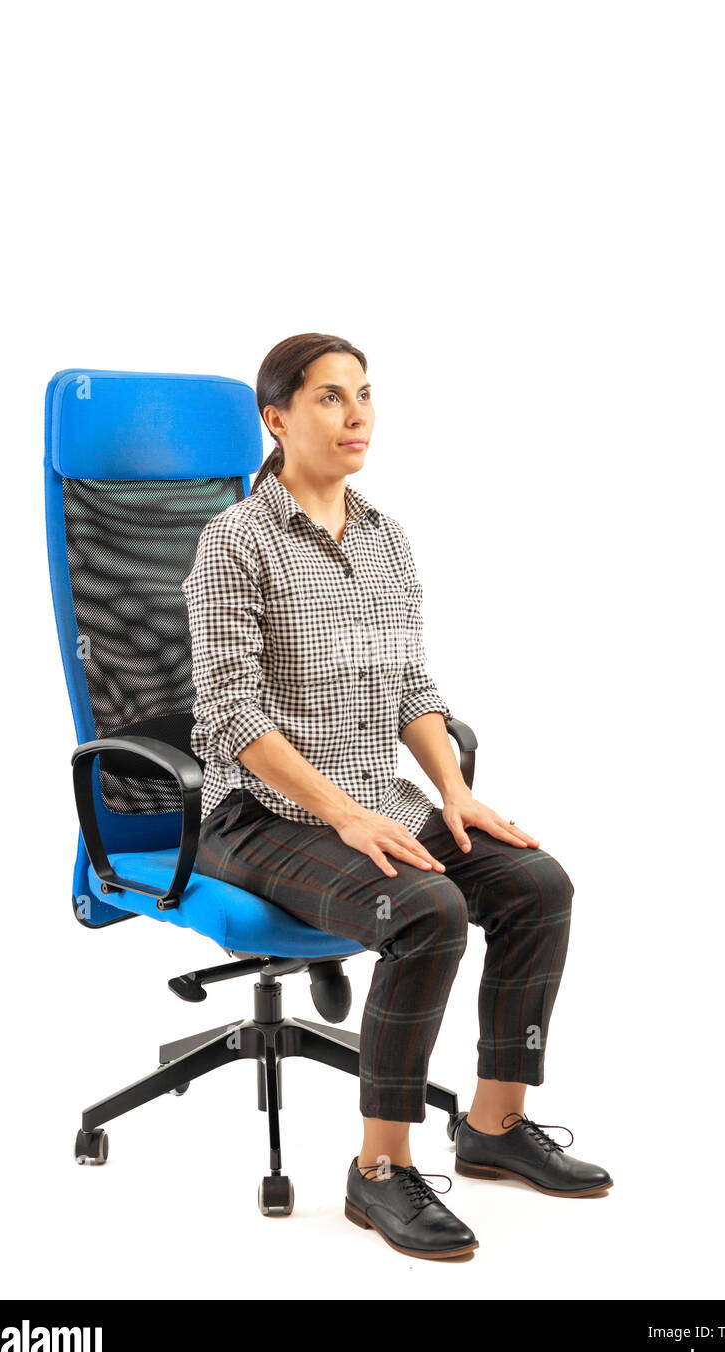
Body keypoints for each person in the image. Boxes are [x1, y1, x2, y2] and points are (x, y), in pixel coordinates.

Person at [182, 332, 612, 1260]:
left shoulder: (382, 536)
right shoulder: (234, 541)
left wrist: (453, 793)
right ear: (277, 418)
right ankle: (378, 1172)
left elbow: (412, 687)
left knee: (536, 884)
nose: (357, 415)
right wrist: (342, 811)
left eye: (365, 395)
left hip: (380, 793)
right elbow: (230, 714)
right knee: (427, 911)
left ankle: (494, 1126)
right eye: (331, 398)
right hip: (255, 811)